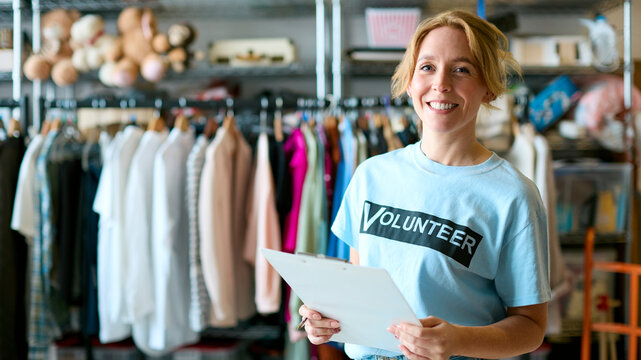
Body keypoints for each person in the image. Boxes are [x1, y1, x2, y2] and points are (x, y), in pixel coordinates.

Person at [299, 9, 551, 360]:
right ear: (409, 81)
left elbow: (531, 327)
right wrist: (323, 320)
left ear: (490, 88)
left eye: (462, 69)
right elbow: (359, 292)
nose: (441, 84)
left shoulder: (512, 196)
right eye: (427, 67)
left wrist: (457, 340)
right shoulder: (370, 176)